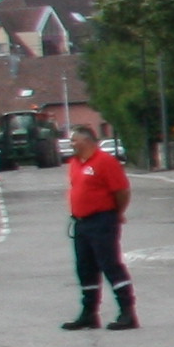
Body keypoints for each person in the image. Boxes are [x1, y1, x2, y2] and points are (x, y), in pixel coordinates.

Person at [60, 125, 137, 331]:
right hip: (81, 223)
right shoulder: (74, 163)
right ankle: (89, 313)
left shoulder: (105, 162)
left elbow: (121, 191)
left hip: (102, 220)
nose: (72, 144)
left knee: (109, 264)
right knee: (85, 267)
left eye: (74, 140)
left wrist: (115, 212)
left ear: (87, 141)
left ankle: (127, 312)